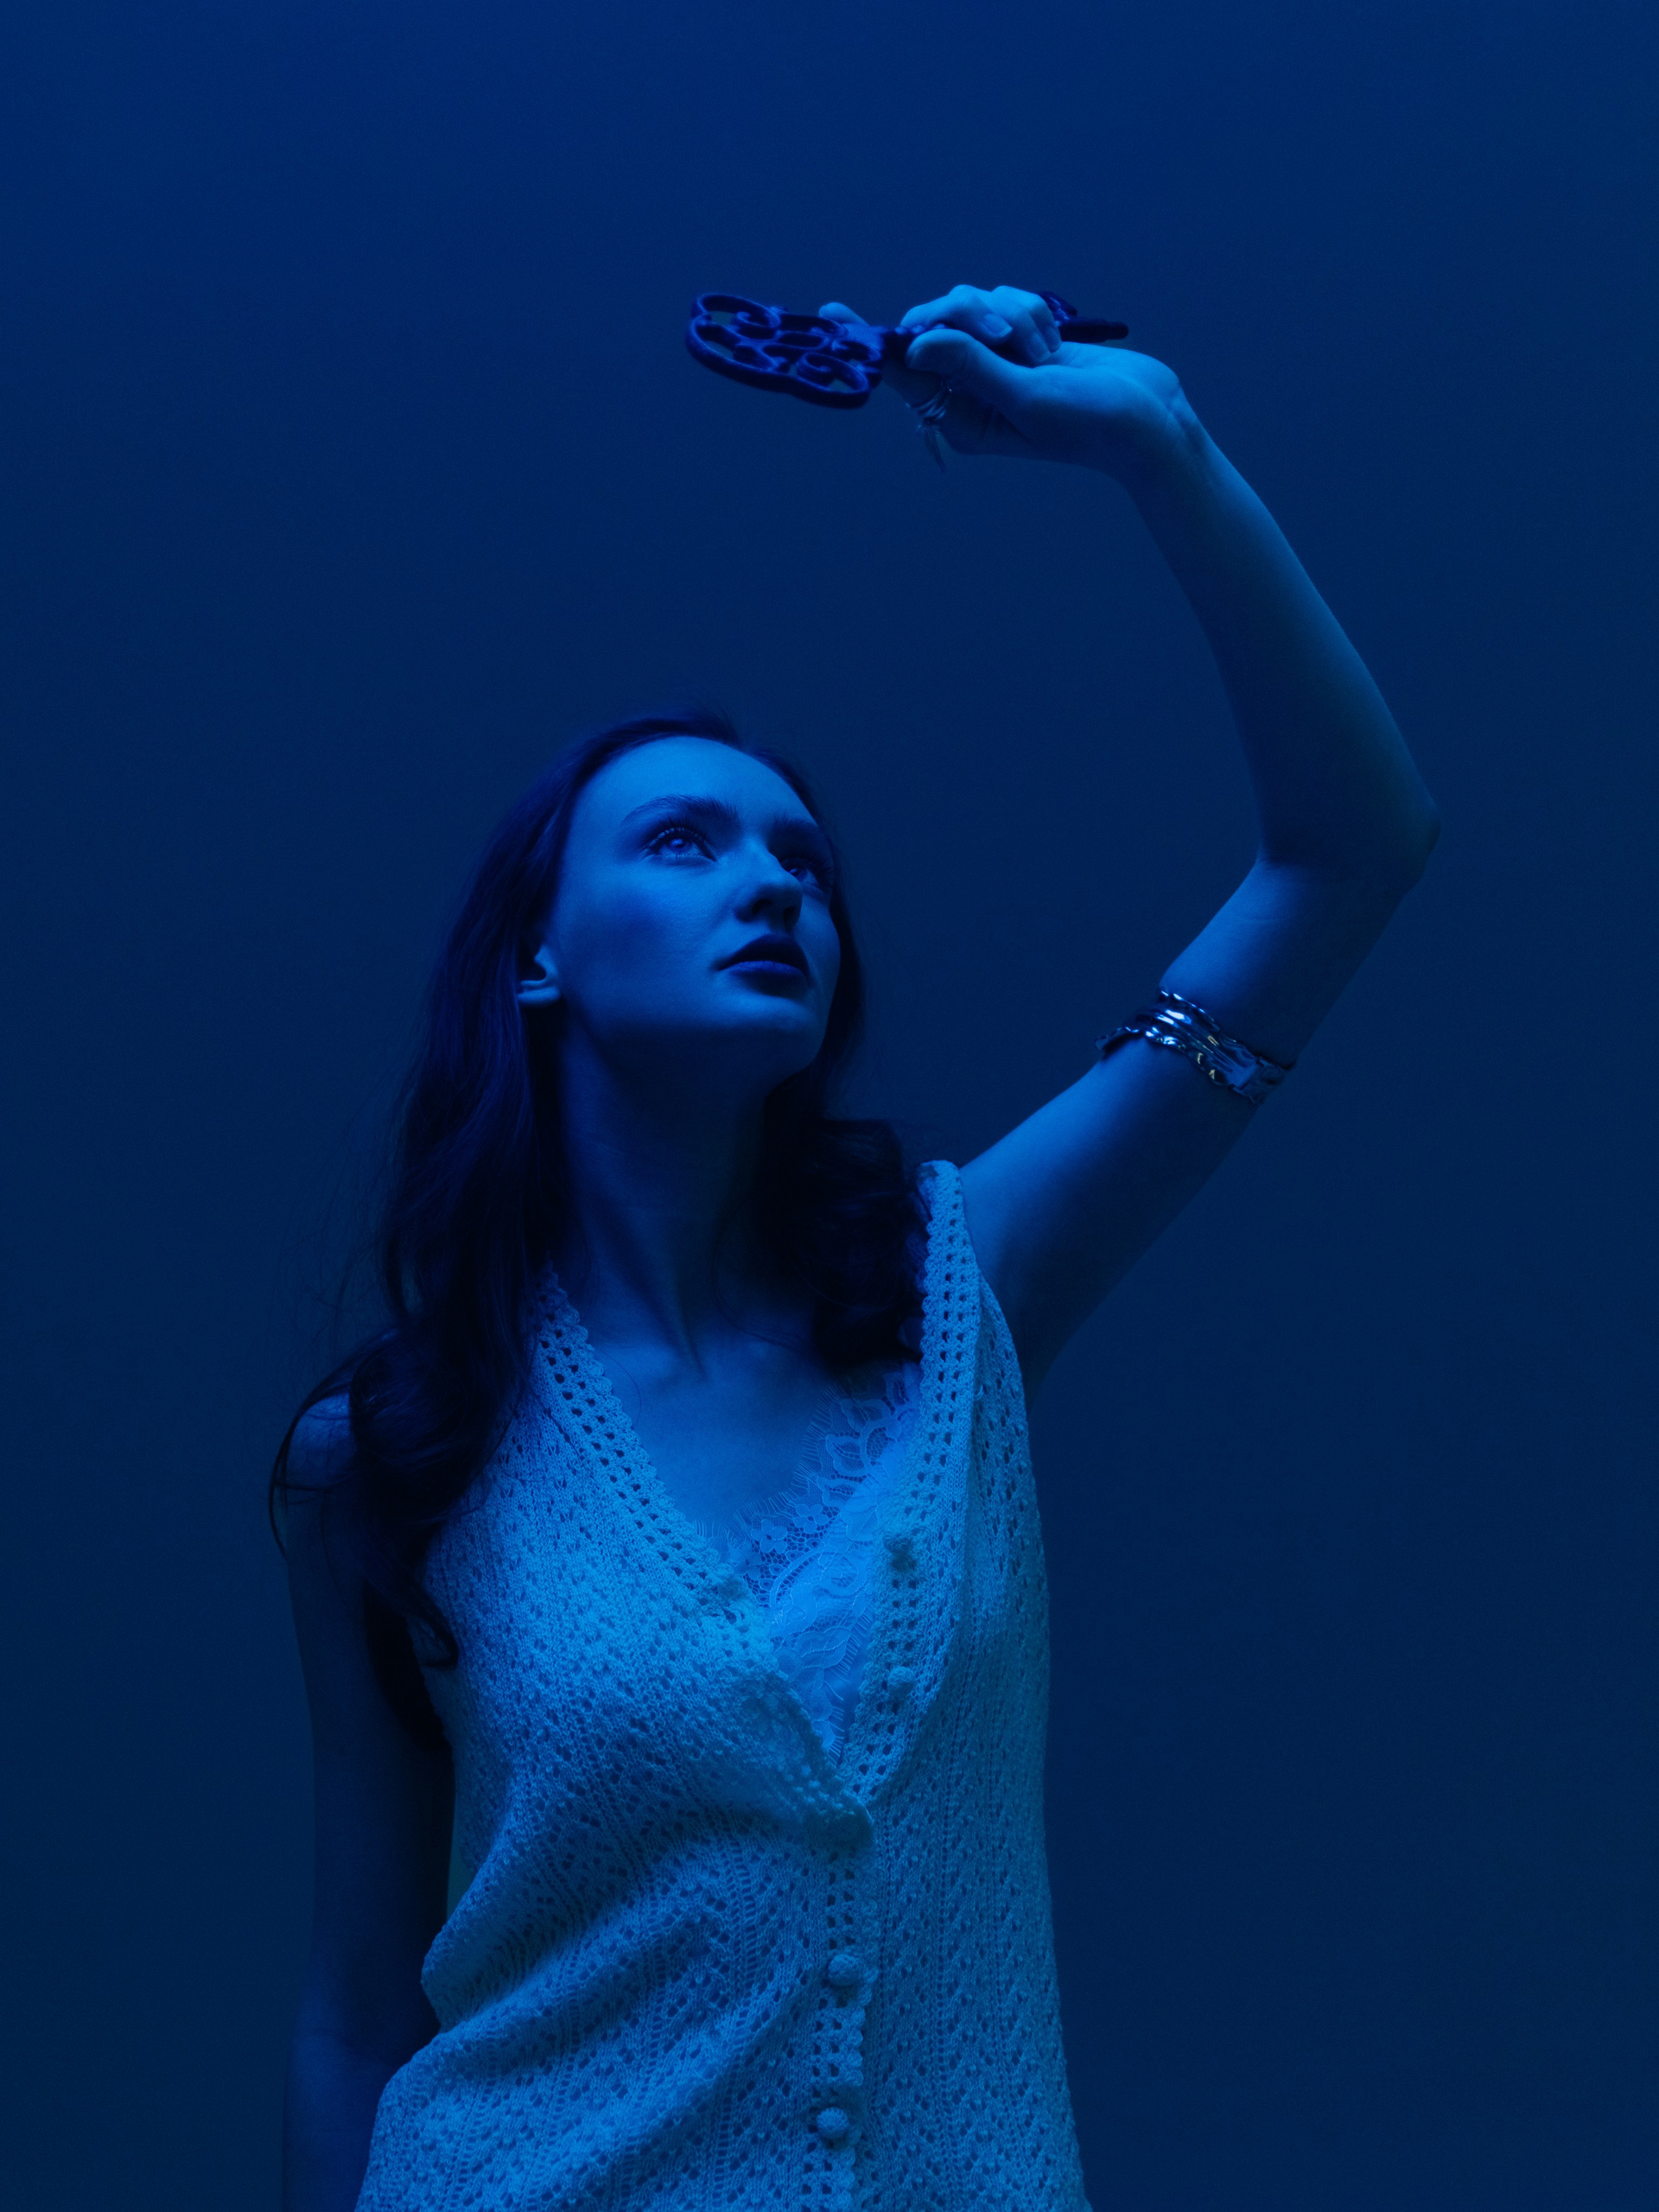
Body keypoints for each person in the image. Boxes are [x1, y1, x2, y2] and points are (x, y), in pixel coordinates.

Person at [276, 283, 1440, 2212]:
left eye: (801, 861)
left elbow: (1352, 850)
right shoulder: (383, 1457)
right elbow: (349, 2012)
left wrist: (1152, 439)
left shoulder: (955, 1304)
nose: (772, 883)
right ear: (539, 957)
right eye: (686, 843)